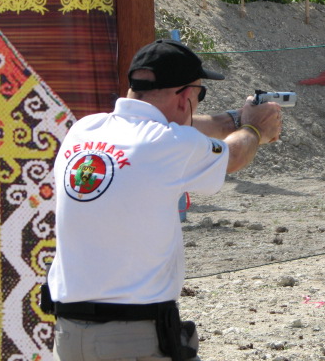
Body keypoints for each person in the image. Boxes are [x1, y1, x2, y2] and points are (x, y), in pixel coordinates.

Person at [46, 39, 283, 361]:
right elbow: (234, 155)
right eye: (199, 95)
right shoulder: (168, 144)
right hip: (133, 338)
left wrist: (234, 120)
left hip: (69, 335)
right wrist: (256, 128)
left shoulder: (85, 129)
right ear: (185, 97)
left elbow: (172, 127)